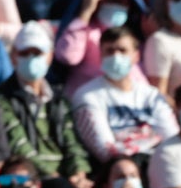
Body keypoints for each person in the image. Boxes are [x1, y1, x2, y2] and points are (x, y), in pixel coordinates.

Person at [0, 24, 89, 188]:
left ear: (50, 56)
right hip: (30, 181)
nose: (31, 58)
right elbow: (20, 146)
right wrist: (57, 180)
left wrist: (79, 175)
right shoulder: (1, 98)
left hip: (66, 181)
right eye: (25, 53)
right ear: (13, 57)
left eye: (37, 53)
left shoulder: (59, 98)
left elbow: (72, 142)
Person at [73, 24, 174, 162]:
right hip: (120, 167)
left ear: (136, 56)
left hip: (159, 163)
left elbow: (171, 138)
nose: (116, 56)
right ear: (101, 55)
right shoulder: (87, 96)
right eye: (110, 51)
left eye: (122, 50)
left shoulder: (152, 95)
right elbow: (105, 150)